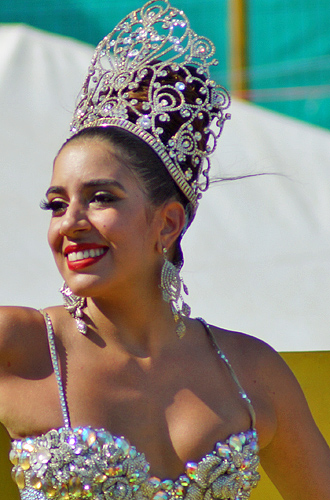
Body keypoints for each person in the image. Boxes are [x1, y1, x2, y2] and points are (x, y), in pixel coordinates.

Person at [1, 1, 330, 499]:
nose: (70, 224)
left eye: (101, 198)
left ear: (168, 223)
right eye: (56, 204)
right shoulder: (17, 346)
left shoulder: (250, 370)